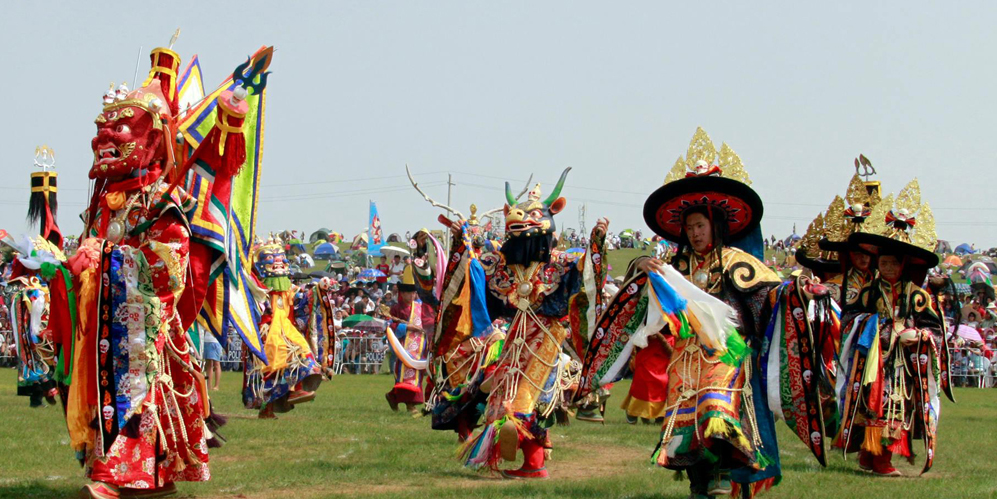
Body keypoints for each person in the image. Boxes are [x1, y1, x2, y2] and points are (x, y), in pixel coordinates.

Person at [579, 129, 781, 497]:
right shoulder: (676, 265)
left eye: (700, 226)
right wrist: (641, 262)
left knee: (715, 411)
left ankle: (723, 471)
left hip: (726, 352)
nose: (695, 233)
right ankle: (699, 485)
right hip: (684, 356)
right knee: (685, 427)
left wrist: (798, 293)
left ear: (716, 225)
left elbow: (768, 300)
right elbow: (647, 294)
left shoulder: (740, 263)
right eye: (689, 228)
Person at [458, 169, 608, 479]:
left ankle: (533, 457)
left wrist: (597, 244)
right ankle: (532, 461)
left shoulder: (561, 261)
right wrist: (464, 248)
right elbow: (478, 274)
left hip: (548, 333)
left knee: (527, 394)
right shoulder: (503, 263)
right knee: (505, 388)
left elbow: (590, 276)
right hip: (517, 334)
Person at [836, 179, 948, 477]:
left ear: (902, 266)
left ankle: (881, 458)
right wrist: (875, 326)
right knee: (869, 405)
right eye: (882, 263)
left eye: (892, 264)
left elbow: (935, 330)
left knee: (896, 407)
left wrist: (920, 336)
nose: (886, 268)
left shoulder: (918, 296)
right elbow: (848, 319)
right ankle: (869, 455)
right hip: (872, 360)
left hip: (902, 365)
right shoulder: (868, 292)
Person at [244, 235, 322, 418]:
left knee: (301, 351)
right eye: (271, 259)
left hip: (285, 329)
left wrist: (316, 292)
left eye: (280, 259)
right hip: (267, 331)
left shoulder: (288, 289)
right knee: (273, 367)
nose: (277, 263)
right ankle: (267, 407)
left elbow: (300, 300)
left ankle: (298, 389)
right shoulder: (257, 288)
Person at [384, 264, 435, 413]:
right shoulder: (396, 309)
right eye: (408, 293)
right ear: (401, 294)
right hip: (403, 348)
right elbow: (390, 327)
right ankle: (409, 405)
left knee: (416, 375)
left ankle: (392, 397)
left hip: (420, 348)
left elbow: (429, 322)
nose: (411, 296)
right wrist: (406, 327)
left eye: (413, 293)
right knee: (404, 376)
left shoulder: (421, 307)